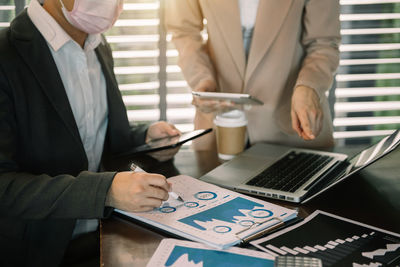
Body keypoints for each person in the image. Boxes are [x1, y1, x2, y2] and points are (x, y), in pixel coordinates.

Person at [0, 0, 180, 265]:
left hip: (107, 235)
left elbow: (92, 139)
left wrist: (144, 139)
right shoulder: (6, 54)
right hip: (38, 252)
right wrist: (104, 191)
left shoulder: (99, 46)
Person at [165, 0, 341, 150]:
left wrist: (309, 86)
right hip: (218, 130)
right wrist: (201, 79)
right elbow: (184, 32)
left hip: (292, 129)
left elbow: (324, 43)